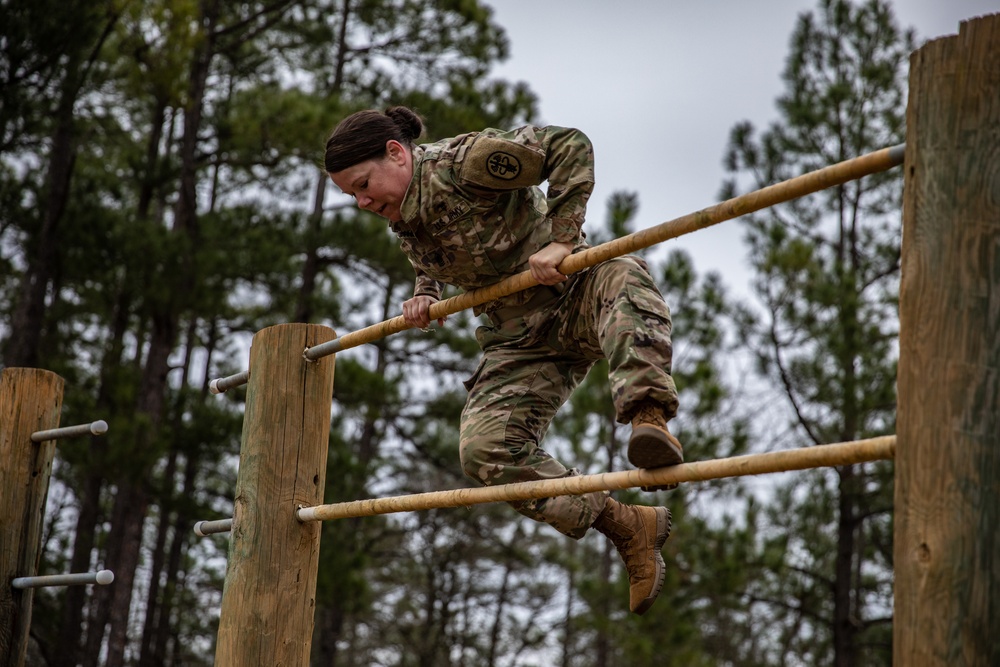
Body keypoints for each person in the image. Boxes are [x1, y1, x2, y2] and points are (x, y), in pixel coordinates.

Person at [324, 106, 684, 615]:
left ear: (397, 153)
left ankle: (650, 418)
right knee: (484, 450)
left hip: (575, 296)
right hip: (519, 342)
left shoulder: (467, 163)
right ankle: (626, 525)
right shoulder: (401, 211)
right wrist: (425, 291)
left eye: (363, 185)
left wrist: (562, 239)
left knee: (625, 273)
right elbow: (438, 250)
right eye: (352, 196)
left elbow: (570, 145)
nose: (362, 202)